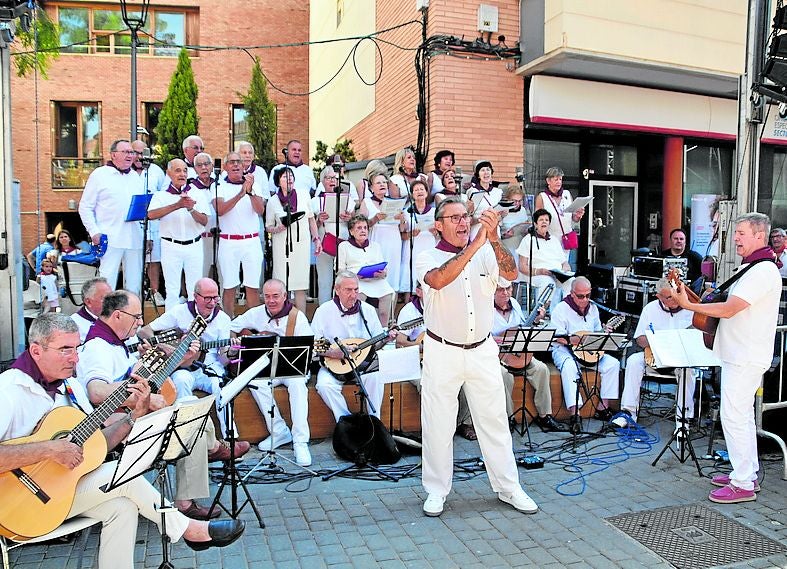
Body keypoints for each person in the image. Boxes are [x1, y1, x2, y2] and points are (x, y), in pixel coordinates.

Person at [0, 314, 245, 569]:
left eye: (75, 348)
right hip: (15, 505)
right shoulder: (9, 389)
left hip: (57, 493)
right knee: (120, 475)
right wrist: (49, 448)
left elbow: (97, 444)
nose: (75, 359)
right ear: (36, 350)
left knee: (122, 507)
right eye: (64, 350)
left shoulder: (69, 386)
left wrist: (133, 417)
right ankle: (187, 529)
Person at [415, 195, 538, 517]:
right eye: (454, 218)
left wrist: (494, 239)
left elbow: (510, 274)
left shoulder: (485, 249)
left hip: (482, 350)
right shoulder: (426, 255)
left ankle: (509, 487)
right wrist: (476, 244)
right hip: (442, 350)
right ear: (438, 225)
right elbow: (439, 280)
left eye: (465, 216)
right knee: (438, 425)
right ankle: (436, 491)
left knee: (494, 421)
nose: (462, 222)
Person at [76, 290, 246, 520]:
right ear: (117, 315)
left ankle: (213, 452)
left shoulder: (118, 343)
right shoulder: (98, 346)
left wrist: (182, 357)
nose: (141, 322)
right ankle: (212, 453)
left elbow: (144, 378)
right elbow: (97, 392)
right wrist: (143, 398)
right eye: (136, 317)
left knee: (192, 412)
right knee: (191, 422)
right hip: (121, 426)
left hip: (136, 417)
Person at [674, 212, 782, 504]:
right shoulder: (756, 267)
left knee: (733, 416)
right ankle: (745, 470)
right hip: (742, 353)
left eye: (742, 233)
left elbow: (731, 308)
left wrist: (686, 304)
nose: (735, 238)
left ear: (759, 235)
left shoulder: (761, 271)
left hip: (745, 355)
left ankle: (743, 482)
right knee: (741, 416)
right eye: (736, 233)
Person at [137, 278, 246, 444]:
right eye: (207, 298)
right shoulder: (179, 312)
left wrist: (231, 352)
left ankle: (230, 438)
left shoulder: (222, 319)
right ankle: (185, 437)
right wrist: (167, 348)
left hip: (209, 366)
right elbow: (145, 331)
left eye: (215, 298)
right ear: (195, 296)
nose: (212, 303)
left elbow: (222, 358)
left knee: (221, 386)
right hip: (183, 367)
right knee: (180, 381)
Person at [229, 279, 313, 466]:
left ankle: (300, 441)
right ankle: (279, 431)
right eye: (267, 296)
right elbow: (230, 328)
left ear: (285, 296)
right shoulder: (255, 314)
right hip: (267, 369)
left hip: (293, 369)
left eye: (276, 296)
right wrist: (235, 342)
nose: (271, 300)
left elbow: (308, 349)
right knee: (255, 382)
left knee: (298, 385)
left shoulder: (296, 318)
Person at [311, 271, 395, 423]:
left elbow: (376, 342)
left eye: (356, 290)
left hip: (362, 364)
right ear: (337, 290)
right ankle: (347, 422)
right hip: (334, 365)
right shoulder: (324, 311)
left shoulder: (367, 310)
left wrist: (386, 339)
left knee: (375, 377)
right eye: (348, 290)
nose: (353, 294)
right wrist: (333, 352)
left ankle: (374, 423)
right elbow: (315, 343)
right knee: (324, 385)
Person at [614, 278, 696, 432]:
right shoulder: (650, 308)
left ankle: (683, 419)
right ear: (659, 296)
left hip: (680, 359)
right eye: (669, 297)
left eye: (675, 295)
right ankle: (628, 413)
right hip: (654, 356)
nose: (674, 300)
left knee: (689, 371)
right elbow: (640, 339)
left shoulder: (690, 309)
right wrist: (656, 340)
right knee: (633, 361)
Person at [492, 279, 565, 432]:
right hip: (497, 356)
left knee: (542, 369)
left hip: (520, 356)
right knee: (504, 375)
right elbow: (484, 336)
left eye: (508, 288)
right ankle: (508, 418)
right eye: (500, 289)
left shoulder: (515, 305)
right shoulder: (486, 309)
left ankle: (545, 415)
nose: (505, 293)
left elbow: (524, 329)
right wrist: (503, 339)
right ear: (493, 291)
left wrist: (536, 320)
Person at [549, 277, 620, 431]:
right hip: (565, 350)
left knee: (613, 364)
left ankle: (603, 408)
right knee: (569, 367)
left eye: (588, 295)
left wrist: (603, 333)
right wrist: (577, 340)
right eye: (581, 296)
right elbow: (558, 337)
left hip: (588, 352)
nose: (585, 299)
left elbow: (596, 334)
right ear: (572, 294)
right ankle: (575, 414)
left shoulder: (593, 309)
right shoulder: (561, 309)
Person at [78, 139, 145, 294]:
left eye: (131, 152)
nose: (130, 155)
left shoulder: (136, 177)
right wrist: (94, 232)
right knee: (107, 283)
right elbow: (85, 206)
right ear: (113, 155)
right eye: (126, 152)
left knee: (135, 284)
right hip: (110, 237)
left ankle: (131, 316)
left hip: (134, 238)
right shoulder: (100, 174)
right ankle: (103, 316)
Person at [147, 159, 210, 310]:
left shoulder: (197, 193)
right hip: (171, 246)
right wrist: (177, 205)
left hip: (194, 244)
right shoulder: (161, 195)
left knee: (195, 289)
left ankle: (195, 324)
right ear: (169, 173)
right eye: (177, 170)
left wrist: (191, 209)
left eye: (184, 170)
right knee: (172, 290)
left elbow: (204, 220)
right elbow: (151, 214)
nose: (182, 174)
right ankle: (172, 326)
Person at [214, 151, 265, 318]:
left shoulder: (253, 185)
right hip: (228, 242)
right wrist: (240, 194)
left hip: (251, 242)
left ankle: (254, 327)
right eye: (231, 162)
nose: (236, 165)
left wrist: (249, 192)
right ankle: (228, 325)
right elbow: (220, 210)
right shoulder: (218, 186)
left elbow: (260, 210)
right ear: (225, 166)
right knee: (229, 286)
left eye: (239, 162)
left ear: (244, 166)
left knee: (252, 286)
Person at [266, 166, 322, 313]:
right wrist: (278, 228)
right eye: (284, 176)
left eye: (291, 175)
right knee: (282, 283)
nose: (289, 178)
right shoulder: (273, 201)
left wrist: (316, 239)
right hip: (282, 246)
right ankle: (285, 316)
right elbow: (268, 226)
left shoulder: (304, 195)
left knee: (300, 284)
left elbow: (311, 220)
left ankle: (301, 319)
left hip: (301, 244)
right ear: (278, 181)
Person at [338, 214, 395, 326]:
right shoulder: (344, 246)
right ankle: (359, 329)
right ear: (351, 232)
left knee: (388, 294)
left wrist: (382, 273)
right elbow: (340, 270)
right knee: (359, 294)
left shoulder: (375, 246)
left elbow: (383, 268)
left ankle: (383, 330)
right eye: (359, 228)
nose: (363, 230)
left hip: (376, 280)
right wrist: (354, 276)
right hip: (356, 281)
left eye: (365, 228)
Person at [313, 166, 357, 304]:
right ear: (322, 181)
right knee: (325, 280)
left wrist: (349, 217)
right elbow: (312, 226)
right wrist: (319, 220)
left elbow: (354, 221)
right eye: (329, 178)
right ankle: (324, 311)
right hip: (325, 243)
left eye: (335, 178)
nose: (332, 181)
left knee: (344, 279)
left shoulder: (347, 199)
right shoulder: (315, 201)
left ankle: (345, 306)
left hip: (344, 243)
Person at [132, 139, 168, 306]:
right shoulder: (125, 173)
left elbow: (164, 194)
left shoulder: (156, 171)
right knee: (134, 259)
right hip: (131, 223)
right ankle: (134, 293)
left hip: (152, 222)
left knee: (154, 259)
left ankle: (154, 292)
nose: (139, 156)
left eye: (142, 153)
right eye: (136, 153)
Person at [517, 208, 573, 312]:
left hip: (556, 274)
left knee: (572, 282)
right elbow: (522, 266)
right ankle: (541, 313)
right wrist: (540, 271)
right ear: (535, 223)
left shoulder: (554, 240)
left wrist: (566, 270)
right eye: (541, 220)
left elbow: (564, 262)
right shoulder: (528, 240)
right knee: (548, 282)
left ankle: (566, 313)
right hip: (537, 274)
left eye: (546, 220)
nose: (544, 222)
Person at [534, 166, 585, 267]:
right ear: (548, 181)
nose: (559, 182)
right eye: (556, 179)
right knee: (553, 267)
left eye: (560, 179)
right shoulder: (542, 197)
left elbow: (573, 218)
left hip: (566, 239)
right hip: (550, 239)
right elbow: (537, 220)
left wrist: (578, 216)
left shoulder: (567, 194)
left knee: (567, 268)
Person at [365, 171, 404, 297]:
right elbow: (361, 225)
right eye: (378, 183)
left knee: (393, 273)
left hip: (394, 240)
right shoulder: (367, 202)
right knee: (377, 271)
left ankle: (391, 309)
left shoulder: (395, 202)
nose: (382, 184)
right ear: (371, 188)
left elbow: (403, 229)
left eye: (384, 182)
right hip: (377, 240)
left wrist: (402, 219)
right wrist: (375, 219)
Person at [399, 179, 438, 296]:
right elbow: (402, 235)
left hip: (429, 248)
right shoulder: (407, 212)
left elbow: (441, 234)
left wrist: (435, 232)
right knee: (409, 285)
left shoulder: (435, 212)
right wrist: (411, 234)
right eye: (416, 190)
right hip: (412, 251)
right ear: (412, 194)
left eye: (422, 189)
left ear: (427, 193)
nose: (419, 191)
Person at [190, 151, 219, 278]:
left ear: (212, 166)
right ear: (195, 169)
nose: (204, 168)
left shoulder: (219, 184)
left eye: (207, 164)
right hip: (201, 237)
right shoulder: (190, 188)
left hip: (220, 236)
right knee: (201, 273)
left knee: (223, 272)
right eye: (199, 165)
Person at [466, 160, 502, 239]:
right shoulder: (472, 191)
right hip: (477, 229)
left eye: (488, 170)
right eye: (482, 170)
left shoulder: (498, 192)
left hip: (494, 229)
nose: (486, 173)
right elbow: (469, 214)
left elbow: (501, 211)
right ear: (478, 175)